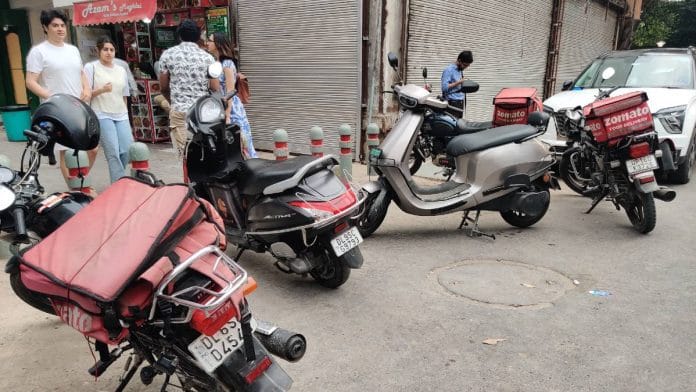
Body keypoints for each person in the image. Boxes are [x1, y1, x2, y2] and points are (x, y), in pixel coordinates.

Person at [25, 9, 98, 187]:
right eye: (55, 25)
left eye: (62, 25)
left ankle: (81, 180)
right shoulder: (39, 52)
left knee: (92, 148)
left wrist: (87, 88)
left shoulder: (72, 50)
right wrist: (52, 97)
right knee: (66, 151)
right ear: (45, 27)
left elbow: (81, 73)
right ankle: (76, 188)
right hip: (57, 111)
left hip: (78, 107)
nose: (60, 29)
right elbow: (30, 81)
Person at [158, 19, 219, 155]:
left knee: (186, 156)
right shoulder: (208, 58)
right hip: (202, 113)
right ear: (198, 37)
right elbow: (215, 87)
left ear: (179, 35)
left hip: (179, 112)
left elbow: (163, 87)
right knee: (205, 154)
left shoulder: (168, 55)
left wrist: (173, 102)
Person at [84, 36, 134, 183]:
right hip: (101, 113)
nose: (108, 52)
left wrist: (126, 114)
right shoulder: (91, 68)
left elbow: (124, 94)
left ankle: (118, 178)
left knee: (126, 150)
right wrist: (101, 90)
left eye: (111, 50)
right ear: (98, 51)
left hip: (121, 114)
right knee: (113, 153)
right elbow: (86, 94)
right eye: (105, 49)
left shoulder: (121, 70)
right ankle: (118, 185)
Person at [206, 32, 258, 159]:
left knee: (241, 142)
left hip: (231, 109)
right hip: (219, 107)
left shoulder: (227, 64)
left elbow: (230, 91)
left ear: (218, 44)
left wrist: (228, 115)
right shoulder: (216, 63)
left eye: (210, 40)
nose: (207, 43)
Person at [440, 50, 473, 118]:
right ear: (459, 60)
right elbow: (444, 88)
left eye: (468, 65)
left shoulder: (459, 70)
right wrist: (459, 82)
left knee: (459, 125)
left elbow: (457, 86)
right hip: (452, 103)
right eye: (465, 65)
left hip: (459, 102)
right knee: (452, 126)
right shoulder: (449, 70)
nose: (466, 67)